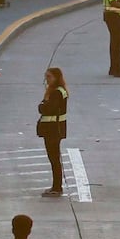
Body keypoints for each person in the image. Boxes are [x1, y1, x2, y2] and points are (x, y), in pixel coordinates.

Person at [36, 68, 69, 198]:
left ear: (56, 77)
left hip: (53, 130)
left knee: (54, 158)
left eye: (49, 77)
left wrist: (43, 103)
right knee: (54, 158)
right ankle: (56, 186)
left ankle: (56, 187)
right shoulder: (61, 91)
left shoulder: (56, 93)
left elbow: (46, 109)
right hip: (56, 129)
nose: (47, 80)